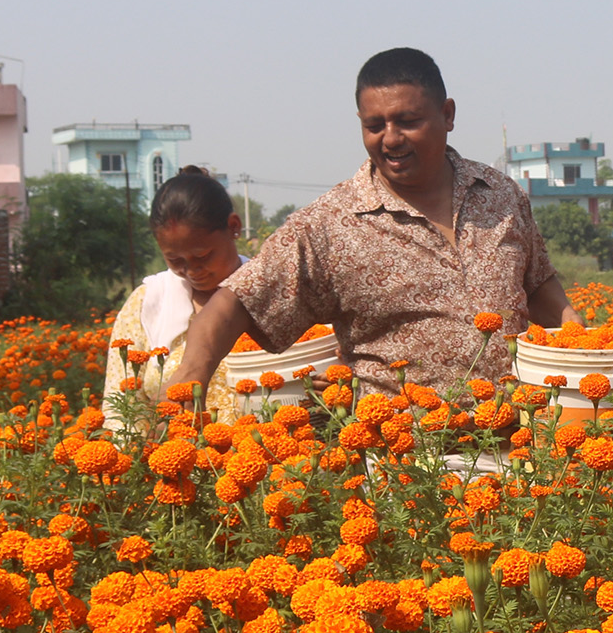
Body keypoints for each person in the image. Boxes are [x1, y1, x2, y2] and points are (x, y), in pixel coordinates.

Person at [165, 47, 579, 413]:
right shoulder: (332, 222)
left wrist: (585, 343)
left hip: (523, 443)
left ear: (448, 114)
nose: (391, 139)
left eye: (408, 121)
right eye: (374, 125)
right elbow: (235, 300)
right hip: (406, 466)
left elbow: (537, 283)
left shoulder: (500, 194)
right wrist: (192, 374)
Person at [101, 167, 250, 433]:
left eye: (202, 256)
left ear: (233, 227)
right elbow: (120, 410)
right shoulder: (147, 303)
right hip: (174, 467)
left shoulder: (275, 293)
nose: (192, 271)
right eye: (175, 261)